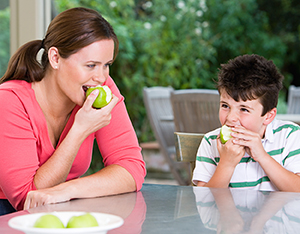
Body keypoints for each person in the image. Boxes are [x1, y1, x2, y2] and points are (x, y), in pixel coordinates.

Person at [0, 7, 146, 214]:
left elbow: (132, 167)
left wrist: (68, 190)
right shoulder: (9, 100)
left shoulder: (98, 88)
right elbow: (28, 200)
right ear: (56, 58)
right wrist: (80, 130)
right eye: (90, 65)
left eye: (106, 65)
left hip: (59, 207)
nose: (101, 77)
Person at [192, 54, 300, 192]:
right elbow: (203, 201)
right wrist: (226, 164)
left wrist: (261, 156)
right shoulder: (211, 142)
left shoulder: (289, 136)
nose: (231, 118)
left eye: (244, 109)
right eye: (225, 106)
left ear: (268, 116)